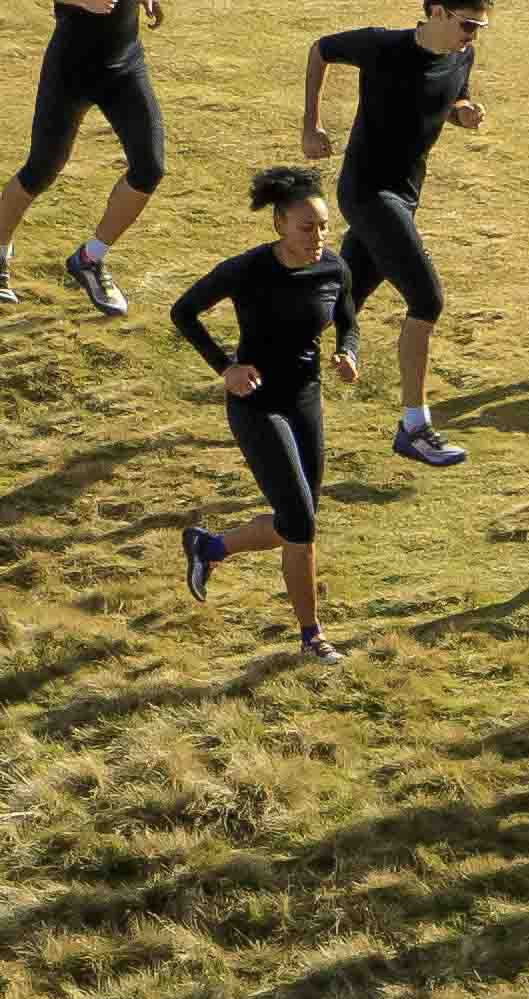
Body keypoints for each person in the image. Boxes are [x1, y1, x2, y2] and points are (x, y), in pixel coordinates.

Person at [166, 166, 360, 659]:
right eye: (306, 227)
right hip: (256, 404)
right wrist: (225, 368)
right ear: (279, 225)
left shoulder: (334, 269)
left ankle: (210, 548)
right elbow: (183, 311)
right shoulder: (247, 269)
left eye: (322, 226)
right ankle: (312, 637)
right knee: (299, 520)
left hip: (305, 401)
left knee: (299, 520)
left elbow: (347, 321)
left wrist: (348, 353)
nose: (317, 237)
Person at [287, 0, 485, 471]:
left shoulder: (461, 55)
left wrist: (464, 113)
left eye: (479, 26)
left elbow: (452, 97)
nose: (473, 34)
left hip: (406, 195)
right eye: (467, 24)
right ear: (437, 11)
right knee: (427, 300)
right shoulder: (383, 46)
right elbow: (320, 50)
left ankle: (261, 360)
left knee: (342, 294)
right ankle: (413, 427)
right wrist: (311, 124)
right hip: (367, 193)